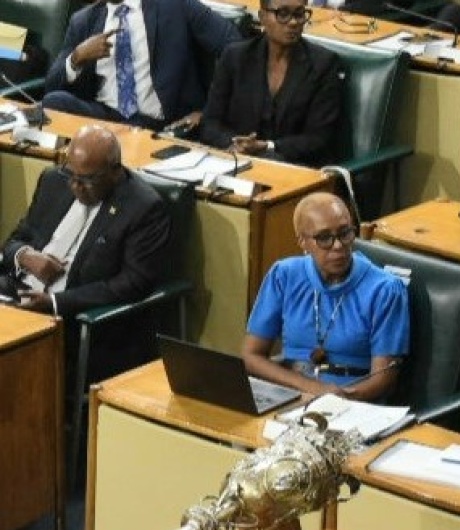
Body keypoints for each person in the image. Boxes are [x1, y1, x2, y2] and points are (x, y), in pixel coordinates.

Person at [0, 124, 170, 378]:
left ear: (115, 171)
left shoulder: (143, 208)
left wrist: (55, 303)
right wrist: (24, 255)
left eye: (88, 180)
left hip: (73, 318)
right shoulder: (54, 180)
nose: (75, 186)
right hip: (16, 294)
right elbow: (17, 238)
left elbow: (133, 283)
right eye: (71, 174)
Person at [242, 193, 410, 402]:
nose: (338, 245)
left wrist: (336, 398)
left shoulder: (385, 290)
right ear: (302, 241)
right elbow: (251, 356)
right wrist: (311, 389)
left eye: (345, 233)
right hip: (291, 393)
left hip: (352, 400)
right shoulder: (284, 275)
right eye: (324, 238)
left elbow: (384, 380)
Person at [44, 0, 239, 130]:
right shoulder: (84, 20)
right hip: (105, 115)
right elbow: (51, 85)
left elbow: (235, 47)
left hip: (161, 122)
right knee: (54, 101)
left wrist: (207, 111)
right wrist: (77, 57)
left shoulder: (175, 5)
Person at [197, 0, 342, 166]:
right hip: (236, 160)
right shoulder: (235, 57)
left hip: (294, 167)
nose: (293, 22)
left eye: (299, 14)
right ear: (262, 17)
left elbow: (319, 138)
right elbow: (210, 122)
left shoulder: (323, 64)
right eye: (283, 14)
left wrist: (268, 147)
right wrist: (237, 144)